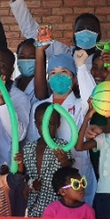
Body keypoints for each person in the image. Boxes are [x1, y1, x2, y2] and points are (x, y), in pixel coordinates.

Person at [29, 49, 97, 204]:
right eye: (53, 73)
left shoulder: (80, 105)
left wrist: (81, 66)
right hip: (46, 172)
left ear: (74, 79)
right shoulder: (39, 107)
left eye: (64, 72)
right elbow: (34, 141)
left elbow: (92, 96)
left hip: (78, 168)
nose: (58, 77)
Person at [20, 102, 73, 218]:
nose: (46, 128)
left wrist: (64, 161)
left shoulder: (62, 146)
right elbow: (25, 175)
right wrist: (30, 184)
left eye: (51, 123)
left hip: (56, 207)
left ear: (58, 124)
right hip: (33, 206)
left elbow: (70, 175)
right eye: (41, 124)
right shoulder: (28, 148)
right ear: (36, 125)